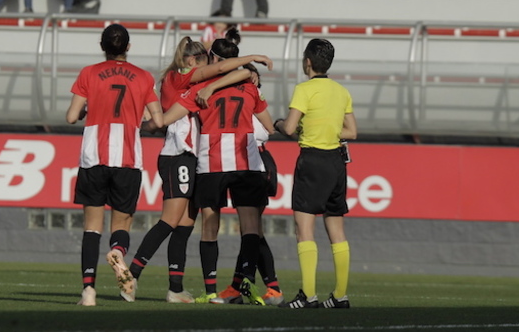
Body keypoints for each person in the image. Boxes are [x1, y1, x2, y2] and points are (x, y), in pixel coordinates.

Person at [133, 36, 273, 304]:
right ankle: (134, 272)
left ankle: (181, 287)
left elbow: (165, 118)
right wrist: (252, 64)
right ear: (192, 61)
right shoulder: (186, 79)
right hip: (188, 155)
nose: (207, 66)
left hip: (203, 160)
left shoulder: (198, 85)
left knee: (188, 225)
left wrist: (144, 124)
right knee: (176, 221)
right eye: (203, 62)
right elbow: (265, 123)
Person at [66, 24, 164, 306]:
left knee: (91, 227)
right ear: (128, 48)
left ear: (102, 46)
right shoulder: (144, 77)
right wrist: (138, 124)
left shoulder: (89, 73)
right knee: (121, 223)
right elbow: (157, 121)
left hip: (93, 156)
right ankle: (118, 251)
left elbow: (72, 116)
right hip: (128, 158)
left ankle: (88, 291)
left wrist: (85, 108)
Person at [187, 34, 283, 306]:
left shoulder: (201, 85)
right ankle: (247, 284)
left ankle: (210, 289)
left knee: (209, 226)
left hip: (212, 160)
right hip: (246, 161)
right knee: (251, 227)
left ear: (215, 60)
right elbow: (268, 126)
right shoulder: (251, 88)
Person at [273, 39, 357, 310]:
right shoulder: (341, 91)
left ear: (307, 62)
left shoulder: (304, 89)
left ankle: (308, 296)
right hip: (336, 163)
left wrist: (279, 123)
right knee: (337, 230)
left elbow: (288, 128)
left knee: (304, 229)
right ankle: (340, 296)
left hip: (312, 161)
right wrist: (326, 130)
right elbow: (351, 132)